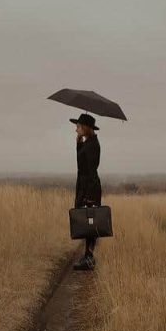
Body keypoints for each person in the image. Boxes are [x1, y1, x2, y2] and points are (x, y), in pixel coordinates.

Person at [71, 112, 102, 271]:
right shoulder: (89, 142)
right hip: (85, 186)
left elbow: (90, 171)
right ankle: (87, 256)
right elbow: (81, 164)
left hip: (89, 187)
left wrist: (89, 197)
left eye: (78, 127)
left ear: (85, 127)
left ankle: (89, 258)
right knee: (87, 221)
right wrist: (78, 144)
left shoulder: (92, 145)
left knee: (90, 222)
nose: (76, 130)